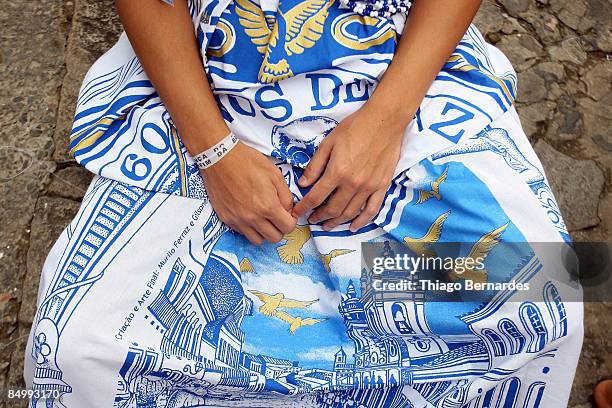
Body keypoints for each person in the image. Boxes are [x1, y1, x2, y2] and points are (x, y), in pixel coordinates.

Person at [24, 0, 583, 406]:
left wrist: (387, 123)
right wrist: (215, 152)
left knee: (548, 298)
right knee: (77, 350)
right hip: (214, 84)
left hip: (399, 70)